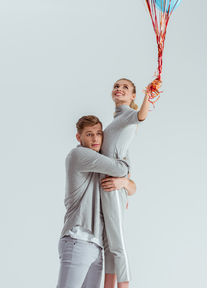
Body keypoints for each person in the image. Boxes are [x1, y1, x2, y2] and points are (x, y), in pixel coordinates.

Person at [56, 115, 137, 288]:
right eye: (89, 134)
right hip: (78, 239)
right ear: (79, 137)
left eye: (99, 134)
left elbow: (132, 188)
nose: (95, 139)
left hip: (96, 246)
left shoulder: (101, 162)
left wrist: (124, 183)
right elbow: (121, 168)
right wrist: (124, 172)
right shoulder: (79, 155)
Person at [101, 78, 151, 288]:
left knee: (118, 244)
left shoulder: (129, 114)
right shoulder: (117, 121)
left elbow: (141, 116)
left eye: (125, 87)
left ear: (132, 96)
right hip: (107, 190)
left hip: (112, 191)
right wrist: (125, 181)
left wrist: (148, 95)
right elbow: (125, 164)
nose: (119, 89)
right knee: (109, 246)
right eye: (116, 86)